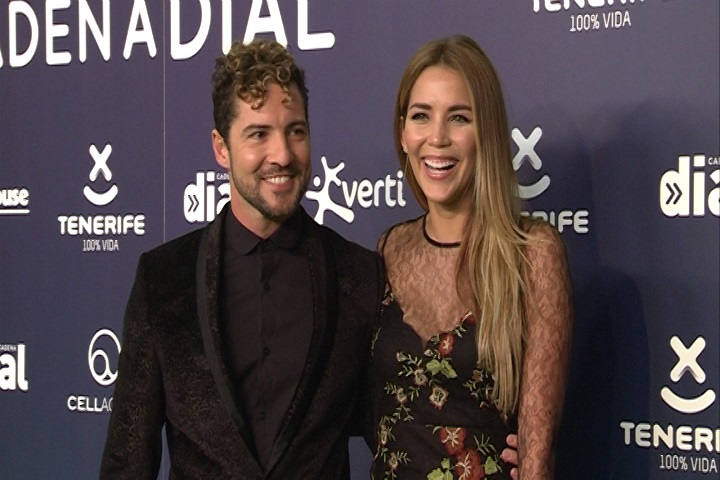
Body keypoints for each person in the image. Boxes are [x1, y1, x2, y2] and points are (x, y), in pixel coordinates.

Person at [99, 38, 386, 479]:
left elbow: (399, 430)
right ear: (221, 148)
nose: (283, 154)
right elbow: (127, 460)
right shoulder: (163, 278)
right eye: (258, 134)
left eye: (296, 131)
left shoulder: (359, 275)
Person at [368, 35, 572, 479]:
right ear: (403, 134)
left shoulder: (532, 254)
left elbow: (537, 459)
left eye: (459, 117)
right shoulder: (388, 249)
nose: (437, 138)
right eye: (421, 116)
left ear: (487, 133)